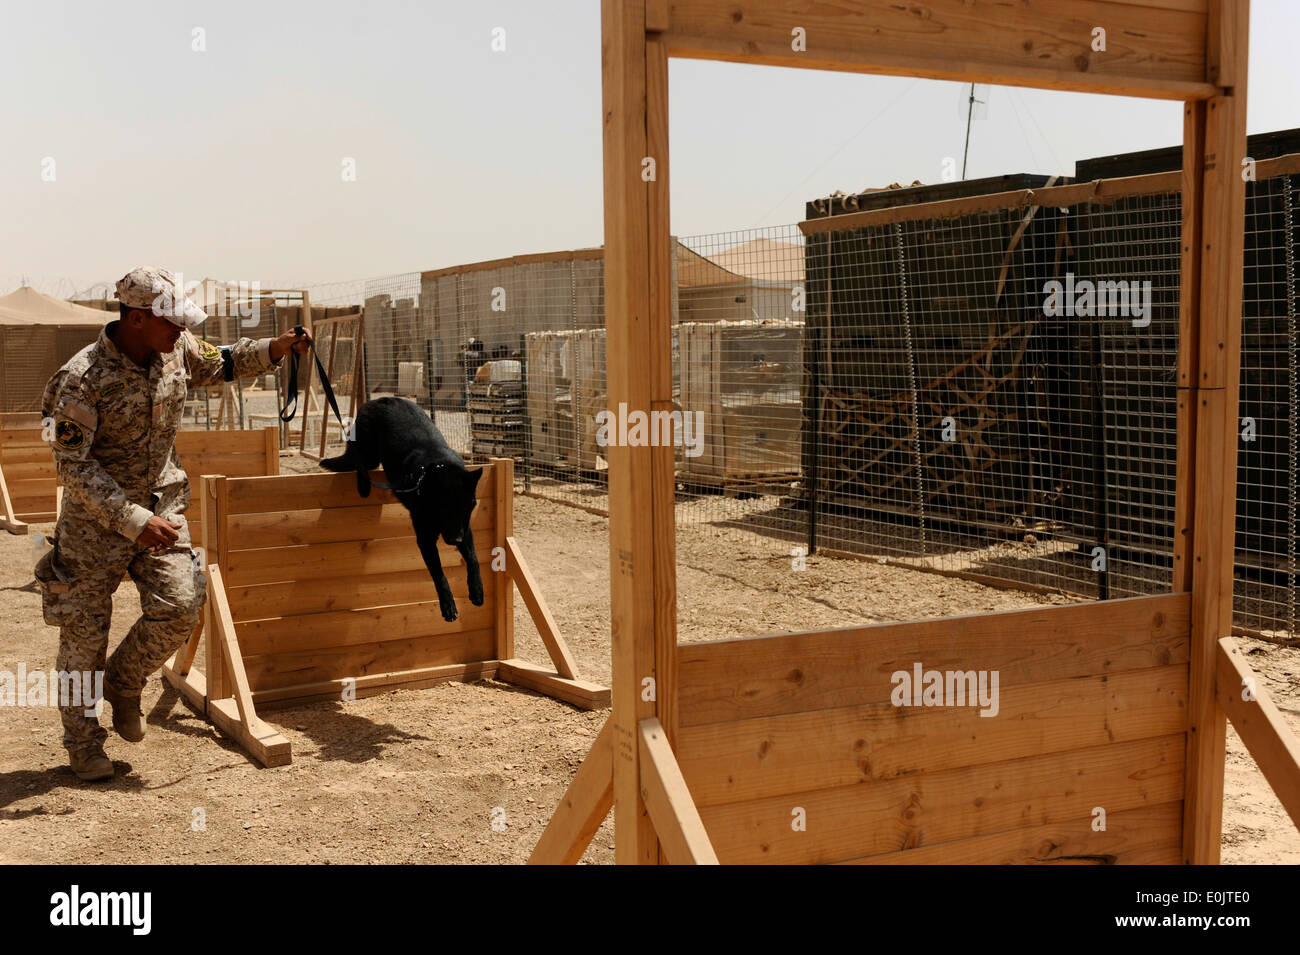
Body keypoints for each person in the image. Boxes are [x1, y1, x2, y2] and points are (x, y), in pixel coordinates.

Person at [35, 266, 313, 781]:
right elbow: (72, 464)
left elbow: (223, 362)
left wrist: (275, 348)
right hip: (96, 526)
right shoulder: (81, 377)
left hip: (162, 509)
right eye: (171, 322)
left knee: (183, 604)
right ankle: (83, 744)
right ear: (137, 318)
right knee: (82, 638)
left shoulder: (176, 349)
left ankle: (123, 680)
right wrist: (131, 519)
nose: (182, 331)